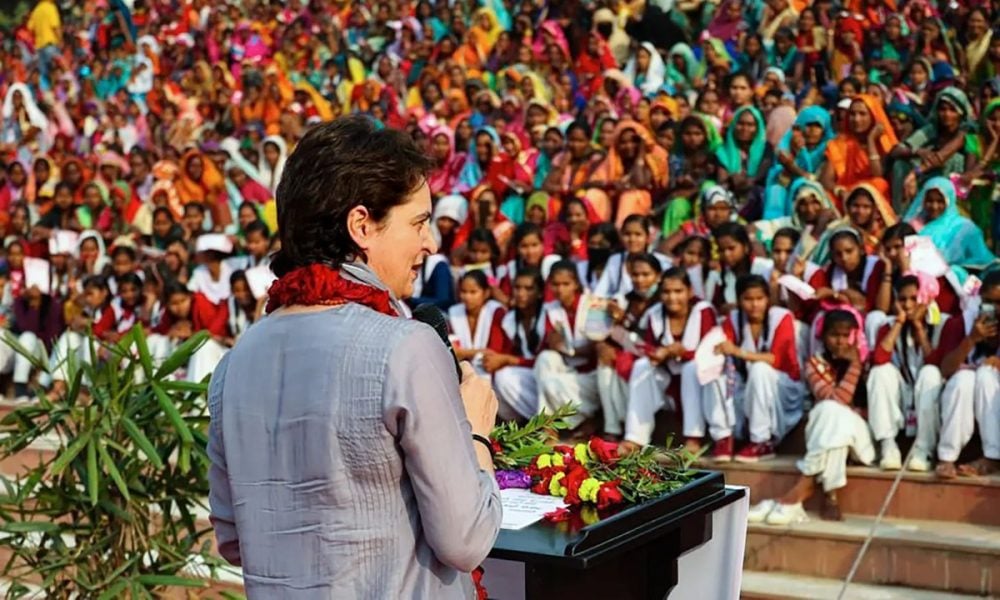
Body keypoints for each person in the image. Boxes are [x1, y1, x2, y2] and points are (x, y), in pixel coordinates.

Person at [208, 117, 501, 597]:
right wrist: (475, 434)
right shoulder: (405, 346)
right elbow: (465, 539)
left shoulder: (234, 362)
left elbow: (234, 537)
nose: (431, 243)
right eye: (419, 222)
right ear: (362, 225)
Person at [748, 310, 874, 524]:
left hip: (862, 440)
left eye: (846, 335)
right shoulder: (814, 364)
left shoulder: (868, 363)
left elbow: (846, 402)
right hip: (833, 433)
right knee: (830, 414)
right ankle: (829, 497)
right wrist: (854, 366)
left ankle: (801, 489)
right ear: (823, 337)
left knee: (831, 414)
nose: (841, 341)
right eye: (835, 335)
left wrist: (855, 364)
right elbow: (836, 399)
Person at [866, 275, 963, 472]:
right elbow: (878, 358)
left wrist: (919, 327)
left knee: (929, 373)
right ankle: (888, 446)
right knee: (879, 372)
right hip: (903, 393)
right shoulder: (889, 324)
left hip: (933, 395)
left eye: (914, 298)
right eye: (902, 300)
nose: (908, 305)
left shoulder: (945, 323)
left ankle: (924, 449)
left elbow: (936, 364)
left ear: (926, 298)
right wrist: (899, 324)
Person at [936, 270, 1000, 479]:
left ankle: (992, 456)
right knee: (965, 379)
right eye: (990, 302)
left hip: (992, 390)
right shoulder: (962, 322)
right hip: (966, 393)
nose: (996, 309)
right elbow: (945, 369)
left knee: (986, 374)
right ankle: (947, 457)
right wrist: (971, 339)